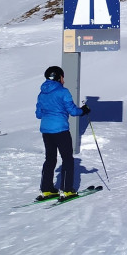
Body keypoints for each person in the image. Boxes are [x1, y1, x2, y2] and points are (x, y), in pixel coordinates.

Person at [35, 66, 90, 201]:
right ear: (59, 77)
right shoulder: (63, 92)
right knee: (67, 159)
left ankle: (46, 189)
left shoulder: (42, 93)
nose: (63, 80)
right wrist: (84, 110)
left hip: (46, 130)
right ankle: (66, 190)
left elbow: (39, 114)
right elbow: (73, 111)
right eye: (62, 77)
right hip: (60, 130)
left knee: (50, 159)